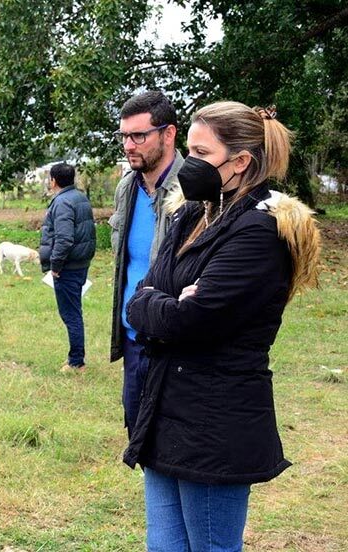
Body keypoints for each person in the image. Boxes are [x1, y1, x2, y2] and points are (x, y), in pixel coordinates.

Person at [123, 101, 320, 551]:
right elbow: (139, 299)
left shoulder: (259, 232)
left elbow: (192, 318)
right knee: (165, 547)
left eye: (200, 153)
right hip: (165, 411)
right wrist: (163, 302)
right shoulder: (193, 212)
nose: (189, 165)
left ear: (241, 162)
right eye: (188, 151)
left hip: (214, 423)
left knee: (211, 546)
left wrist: (167, 304)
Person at [108, 90, 184, 436]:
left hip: (173, 342)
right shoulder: (127, 187)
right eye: (124, 136)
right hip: (132, 336)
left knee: (172, 439)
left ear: (168, 134)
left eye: (139, 135)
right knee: (136, 431)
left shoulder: (194, 189)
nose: (129, 145)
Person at [39, 162, 96, 371]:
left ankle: (76, 361)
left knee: (71, 314)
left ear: (53, 181)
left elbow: (64, 239)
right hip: (80, 264)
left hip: (68, 267)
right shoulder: (80, 198)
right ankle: (76, 358)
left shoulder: (62, 202)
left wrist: (55, 265)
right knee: (74, 311)